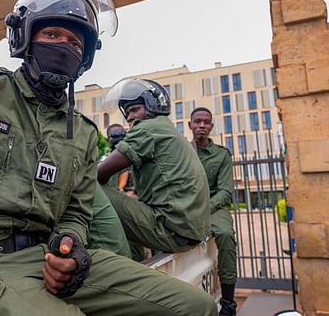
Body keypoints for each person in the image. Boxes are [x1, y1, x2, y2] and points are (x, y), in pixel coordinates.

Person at [0, 0, 218, 316]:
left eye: (75, 43)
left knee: (194, 306)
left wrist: (70, 244)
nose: (64, 46)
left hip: (42, 259)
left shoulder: (79, 132)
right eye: (52, 34)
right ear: (25, 37)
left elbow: (76, 212)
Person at [98, 78, 211, 261]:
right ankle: (131, 261)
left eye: (135, 110)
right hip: (187, 231)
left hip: (171, 230)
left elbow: (99, 174)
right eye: (127, 114)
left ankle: (113, 267)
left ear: (152, 107)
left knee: (88, 189)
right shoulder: (166, 129)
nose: (130, 118)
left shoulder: (148, 129)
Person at [188, 107, 238, 316]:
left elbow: (226, 191)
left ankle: (228, 302)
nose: (202, 126)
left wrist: (204, 208)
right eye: (197, 121)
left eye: (206, 122)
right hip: (187, 206)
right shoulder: (182, 150)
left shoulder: (222, 154)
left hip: (214, 207)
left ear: (211, 126)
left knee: (226, 234)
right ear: (190, 125)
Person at [104, 124, 135, 196]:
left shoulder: (133, 157)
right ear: (107, 140)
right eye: (114, 136)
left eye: (121, 135)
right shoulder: (106, 161)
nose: (118, 138)